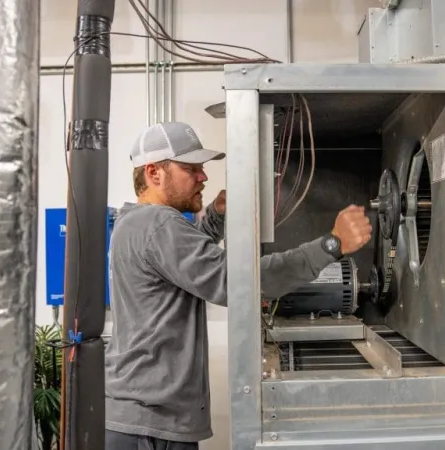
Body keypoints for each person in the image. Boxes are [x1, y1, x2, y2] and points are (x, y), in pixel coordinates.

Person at [104, 121, 372, 450]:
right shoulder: (159, 225)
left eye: (201, 168)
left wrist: (216, 213)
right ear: (154, 173)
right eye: (191, 168)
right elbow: (237, 283)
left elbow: (187, 260)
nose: (202, 176)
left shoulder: (133, 223)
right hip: (150, 428)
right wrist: (331, 245)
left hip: (140, 417)